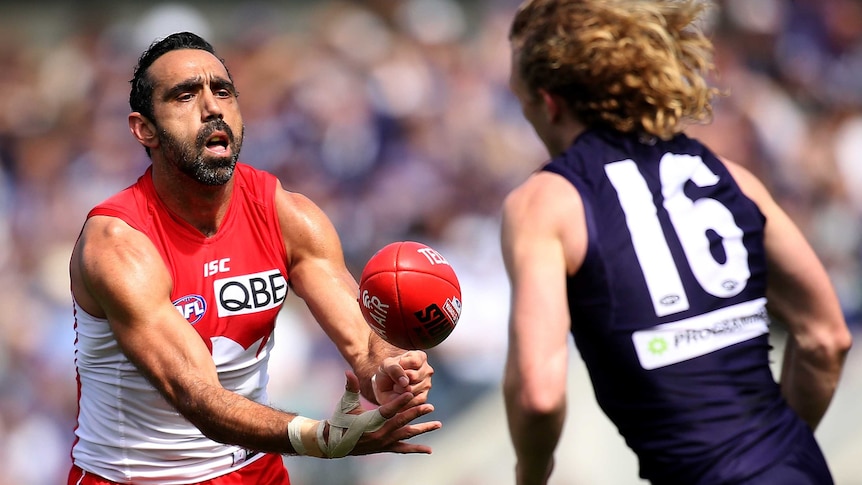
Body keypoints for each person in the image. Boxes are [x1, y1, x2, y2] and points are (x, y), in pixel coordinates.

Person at [500, 1, 853, 484]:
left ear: (550, 101)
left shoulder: (545, 204)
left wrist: (529, 477)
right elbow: (825, 338)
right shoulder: (732, 178)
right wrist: (773, 457)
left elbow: (538, 394)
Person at [67, 32, 441, 485]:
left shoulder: (287, 213)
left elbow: (362, 342)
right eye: (185, 95)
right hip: (137, 478)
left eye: (222, 91)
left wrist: (387, 368)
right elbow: (197, 397)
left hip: (255, 469)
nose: (212, 108)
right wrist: (319, 437)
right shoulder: (117, 242)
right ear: (144, 129)